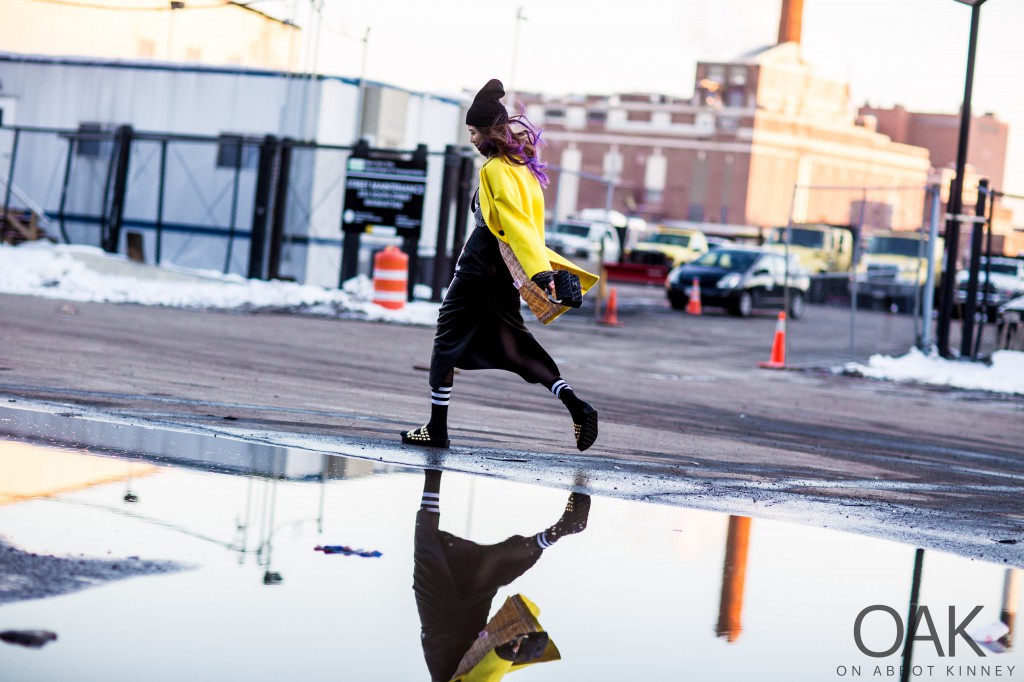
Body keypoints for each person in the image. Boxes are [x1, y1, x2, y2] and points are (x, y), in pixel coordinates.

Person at [402, 79, 600, 453]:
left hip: (481, 265)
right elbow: (530, 225)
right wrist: (534, 268)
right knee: (513, 343)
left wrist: (540, 273)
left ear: (491, 131)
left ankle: (436, 429)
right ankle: (576, 404)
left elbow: (514, 222)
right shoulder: (522, 167)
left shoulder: (494, 168)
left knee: (446, 339)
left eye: (475, 132)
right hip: (505, 270)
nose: (472, 140)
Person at [413, 469, 590, 681]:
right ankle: (433, 468)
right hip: (443, 629)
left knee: (489, 570)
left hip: (472, 639)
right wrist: (502, 655)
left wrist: (503, 655)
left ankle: (557, 531)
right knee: (428, 549)